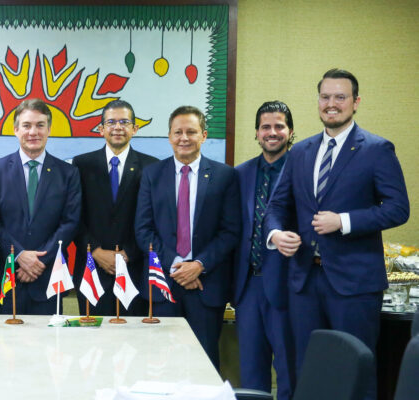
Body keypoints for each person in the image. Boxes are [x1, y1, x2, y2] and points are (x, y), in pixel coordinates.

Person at [265, 69, 409, 399]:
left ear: (355, 102)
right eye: (325, 97)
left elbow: (398, 208)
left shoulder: (377, 149)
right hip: (304, 282)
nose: (332, 104)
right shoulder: (300, 151)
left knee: (355, 372)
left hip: (355, 285)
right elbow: (277, 206)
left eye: (340, 97)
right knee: (309, 370)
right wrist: (276, 234)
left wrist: (343, 221)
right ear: (318, 101)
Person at [135, 106, 240, 369]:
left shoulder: (225, 175)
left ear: (203, 135)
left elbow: (230, 231)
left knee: (203, 364)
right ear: (169, 136)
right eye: (178, 132)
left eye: (191, 132)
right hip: (163, 285)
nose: (184, 138)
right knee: (161, 366)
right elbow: (144, 229)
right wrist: (177, 266)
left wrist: (198, 265)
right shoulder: (152, 175)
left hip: (206, 286)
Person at [0, 98, 81, 315]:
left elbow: (70, 222)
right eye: (26, 125)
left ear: (49, 129)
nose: (33, 132)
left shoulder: (68, 173)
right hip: (6, 276)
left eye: (40, 125)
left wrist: (39, 260)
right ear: (16, 130)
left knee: (49, 337)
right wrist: (18, 255)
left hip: (48, 277)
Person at [233, 101, 296, 399]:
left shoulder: (303, 171)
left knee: (289, 370)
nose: (272, 132)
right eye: (265, 127)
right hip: (248, 286)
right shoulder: (239, 174)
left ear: (290, 131)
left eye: (279, 126)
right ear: (257, 133)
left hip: (289, 285)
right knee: (251, 371)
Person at [72, 99, 157, 316]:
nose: (117, 127)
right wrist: (95, 250)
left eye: (124, 122)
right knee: (93, 335)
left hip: (134, 269)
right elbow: (74, 216)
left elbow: (154, 218)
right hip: (91, 268)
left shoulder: (152, 167)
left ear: (134, 129)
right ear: (101, 129)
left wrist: (128, 253)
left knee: (133, 335)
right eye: (111, 122)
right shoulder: (81, 165)